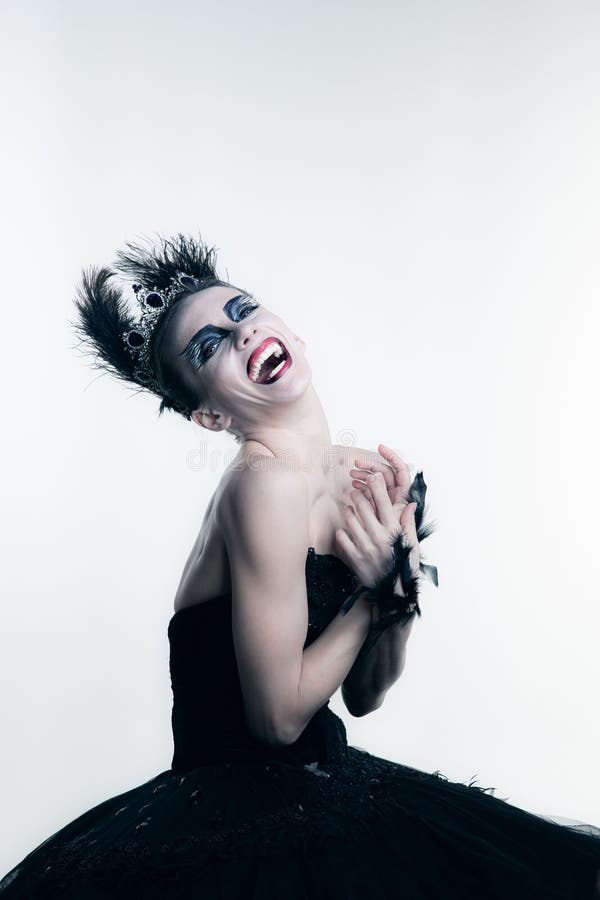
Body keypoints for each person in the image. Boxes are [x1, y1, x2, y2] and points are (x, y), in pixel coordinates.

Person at [1, 232, 598, 899]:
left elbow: (366, 696)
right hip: (226, 814)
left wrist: (399, 595)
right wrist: (372, 598)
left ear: (292, 333)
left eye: (241, 311)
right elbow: (277, 719)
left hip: (326, 778)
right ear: (207, 414)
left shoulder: (365, 477)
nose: (240, 333)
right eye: (208, 347)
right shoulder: (264, 487)